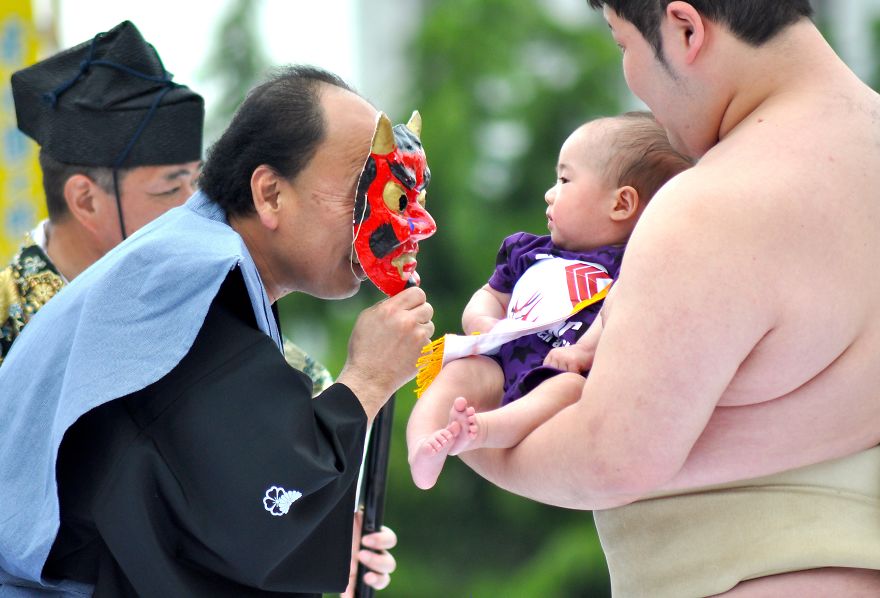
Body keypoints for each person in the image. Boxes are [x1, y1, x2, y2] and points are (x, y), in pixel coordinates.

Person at [456, 1, 880, 595]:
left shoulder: (710, 207)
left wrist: (453, 418)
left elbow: (608, 459)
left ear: (685, 27)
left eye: (623, 43)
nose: (630, 77)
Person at [0, 64, 433, 596]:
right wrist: (367, 380)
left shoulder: (198, 266)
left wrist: (323, 540)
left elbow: (197, 506)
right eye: (363, 192)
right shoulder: (186, 278)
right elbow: (256, 513)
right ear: (270, 193)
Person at [0, 20, 333, 393]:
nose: (194, 206)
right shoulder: (8, 326)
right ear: (86, 200)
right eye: (170, 187)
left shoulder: (235, 334)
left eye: (196, 182)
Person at [406, 112, 692, 490]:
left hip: (554, 368)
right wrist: (481, 320)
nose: (550, 192)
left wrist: (584, 352)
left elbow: (614, 313)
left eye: (564, 179)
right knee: (455, 374)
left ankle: (485, 430)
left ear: (621, 204)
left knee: (569, 390)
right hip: (501, 358)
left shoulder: (631, 265)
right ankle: (423, 448)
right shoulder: (529, 250)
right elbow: (490, 294)